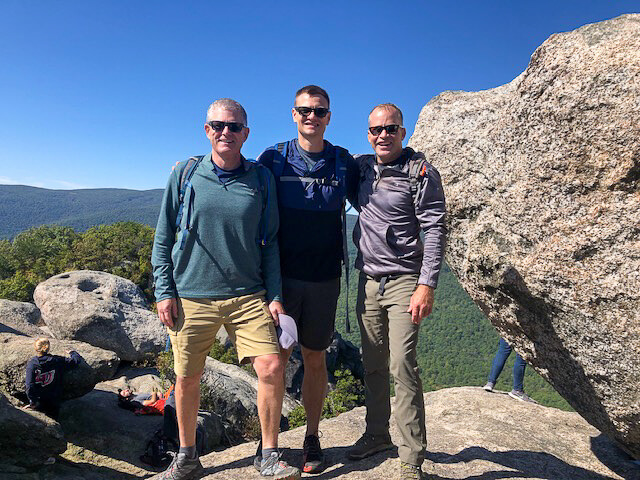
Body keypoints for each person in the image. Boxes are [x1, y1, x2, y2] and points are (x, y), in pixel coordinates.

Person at [151, 98, 300, 480]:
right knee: (186, 377)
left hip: (247, 293)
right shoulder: (185, 174)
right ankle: (186, 457)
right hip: (191, 293)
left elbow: (270, 242)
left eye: (234, 127)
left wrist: (276, 296)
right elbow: (163, 235)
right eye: (218, 125)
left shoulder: (260, 179)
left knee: (270, 367)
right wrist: (163, 289)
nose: (225, 132)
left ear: (246, 134)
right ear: (206, 130)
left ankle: (268, 455)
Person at [256, 85, 354, 474]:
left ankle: (312, 437)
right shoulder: (273, 159)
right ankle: (270, 448)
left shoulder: (344, 163)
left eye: (319, 111)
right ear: (293, 115)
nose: (311, 116)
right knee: (276, 361)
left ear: (329, 117)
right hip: (280, 281)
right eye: (304, 110)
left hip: (325, 279)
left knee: (315, 357)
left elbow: (381, 189)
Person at [346, 103, 446, 480]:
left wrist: (427, 284)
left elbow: (435, 229)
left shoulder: (419, 172)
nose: (382, 136)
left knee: (401, 365)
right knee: (371, 362)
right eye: (375, 130)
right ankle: (376, 434)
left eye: (391, 129)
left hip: (405, 280)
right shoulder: (360, 168)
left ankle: (411, 457)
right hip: (368, 279)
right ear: (367, 134)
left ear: (403, 132)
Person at [25, 338, 82, 420]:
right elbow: (75, 362)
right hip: (54, 399)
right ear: (48, 348)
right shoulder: (56, 360)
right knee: (53, 422)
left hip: (38, 400)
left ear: (36, 349)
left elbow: (29, 385)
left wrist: (32, 401)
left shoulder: (32, 364)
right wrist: (73, 352)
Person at [483, 337, 536, 402]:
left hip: (509, 329)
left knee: (502, 352)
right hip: (523, 334)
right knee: (521, 358)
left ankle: (490, 383)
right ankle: (517, 390)